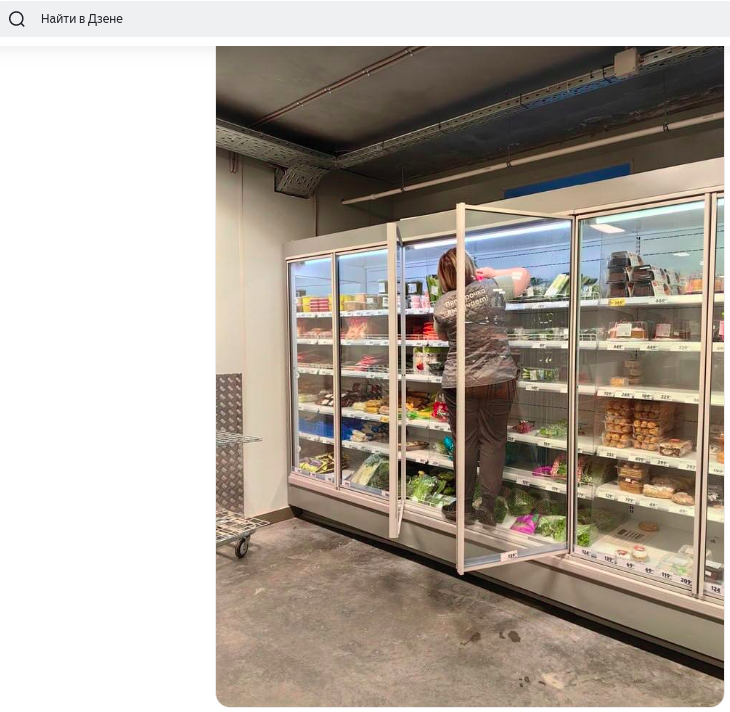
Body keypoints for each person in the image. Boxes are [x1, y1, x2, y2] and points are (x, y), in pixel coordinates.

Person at [432, 248, 530, 526]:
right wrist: (492, 273)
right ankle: (487, 505)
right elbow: (524, 275)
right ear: (469, 267)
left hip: (459, 381)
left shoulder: (443, 304)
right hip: (498, 378)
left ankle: (463, 505)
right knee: (493, 441)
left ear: (443, 276)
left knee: (465, 442)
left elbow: (442, 337)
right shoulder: (493, 288)